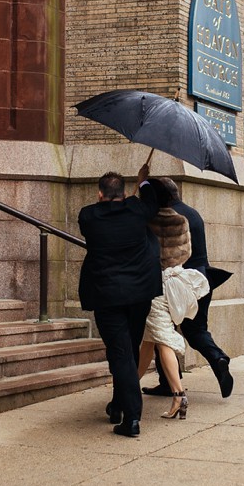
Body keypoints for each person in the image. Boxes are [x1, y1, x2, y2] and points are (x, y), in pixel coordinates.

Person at [78, 164, 160, 438]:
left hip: (107, 294)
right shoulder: (138, 210)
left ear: (100, 194)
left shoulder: (88, 216)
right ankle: (118, 405)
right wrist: (143, 181)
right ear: (123, 194)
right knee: (128, 350)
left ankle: (132, 418)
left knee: (121, 352)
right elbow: (150, 201)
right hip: (139, 294)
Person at [142, 178, 234, 399]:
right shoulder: (192, 213)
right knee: (197, 331)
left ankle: (168, 383)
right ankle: (217, 358)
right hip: (201, 280)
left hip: (175, 284)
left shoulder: (163, 218)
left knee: (160, 332)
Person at [136, 177, 209, 420]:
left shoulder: (147, 220)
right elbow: (187, 252)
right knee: (149, 339)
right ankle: (127, 386)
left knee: (163, 339)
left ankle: (178, 394)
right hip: (173, 283)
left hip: (153, 286)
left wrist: (139, 183)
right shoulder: (181, 220)